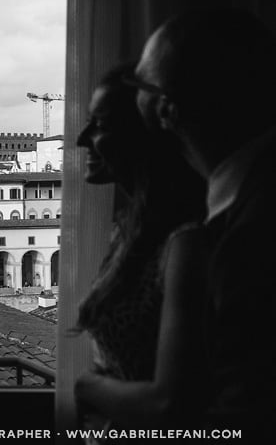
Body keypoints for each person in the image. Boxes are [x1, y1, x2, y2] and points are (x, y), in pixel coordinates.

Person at [130, 8, 276, 425]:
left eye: (138, 85)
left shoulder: (250, 234)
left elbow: (244, 414)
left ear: (166, 110)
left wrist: (89, 391)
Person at [72, 63, 208, 431]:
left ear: (143, 133)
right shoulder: (131, 230)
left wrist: (86, 386)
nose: (82, 139)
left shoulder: (185, 242)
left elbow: (171, 404)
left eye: (101, 124)